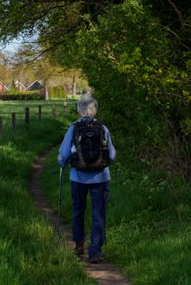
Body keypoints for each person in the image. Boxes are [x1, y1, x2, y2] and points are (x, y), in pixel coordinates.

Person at [58, 94, 116, 264]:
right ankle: (95, 251)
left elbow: (64, 155)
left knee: (78, 211)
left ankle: (79, 246)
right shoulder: (103, 128)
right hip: (101, 177)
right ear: (94, 110)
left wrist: (62, 162)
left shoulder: (73, 128)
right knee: (98, 213)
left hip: (78, 177)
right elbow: (112, 155)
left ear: (79, 111)